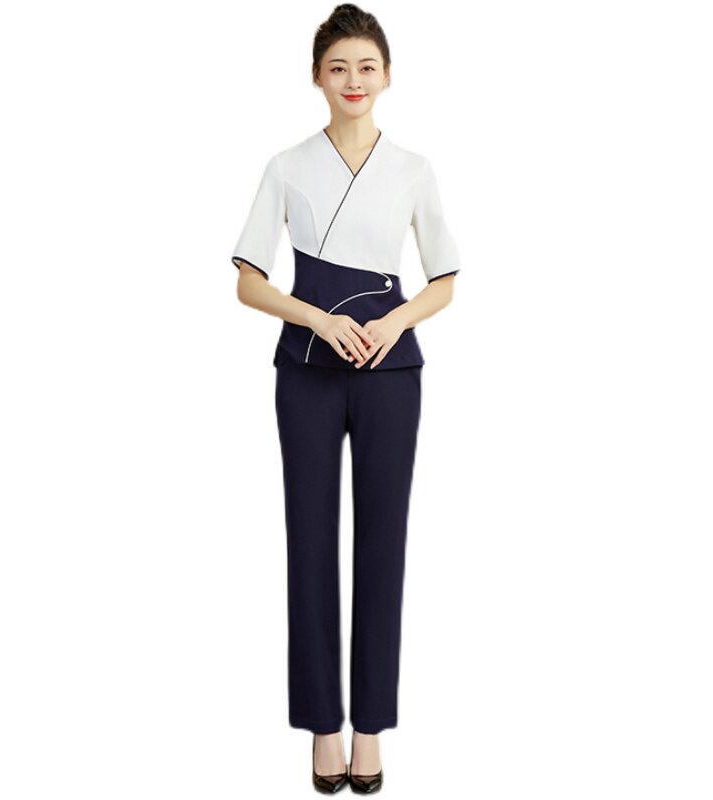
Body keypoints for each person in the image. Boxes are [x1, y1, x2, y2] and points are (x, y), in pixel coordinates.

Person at [231, 4, 460, 793]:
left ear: (387, 75)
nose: (353, 80)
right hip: (306, 368)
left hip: (392, 372)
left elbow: (445, 279)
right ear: (317, 77)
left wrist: (393, 322)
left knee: (383, 549)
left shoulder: (414, 169)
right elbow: (248, 280)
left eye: (366, 66)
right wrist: (319, 320)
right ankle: (323, 729)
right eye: (339, 68)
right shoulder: (287, 165)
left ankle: (370, 730)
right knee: (310, 544)